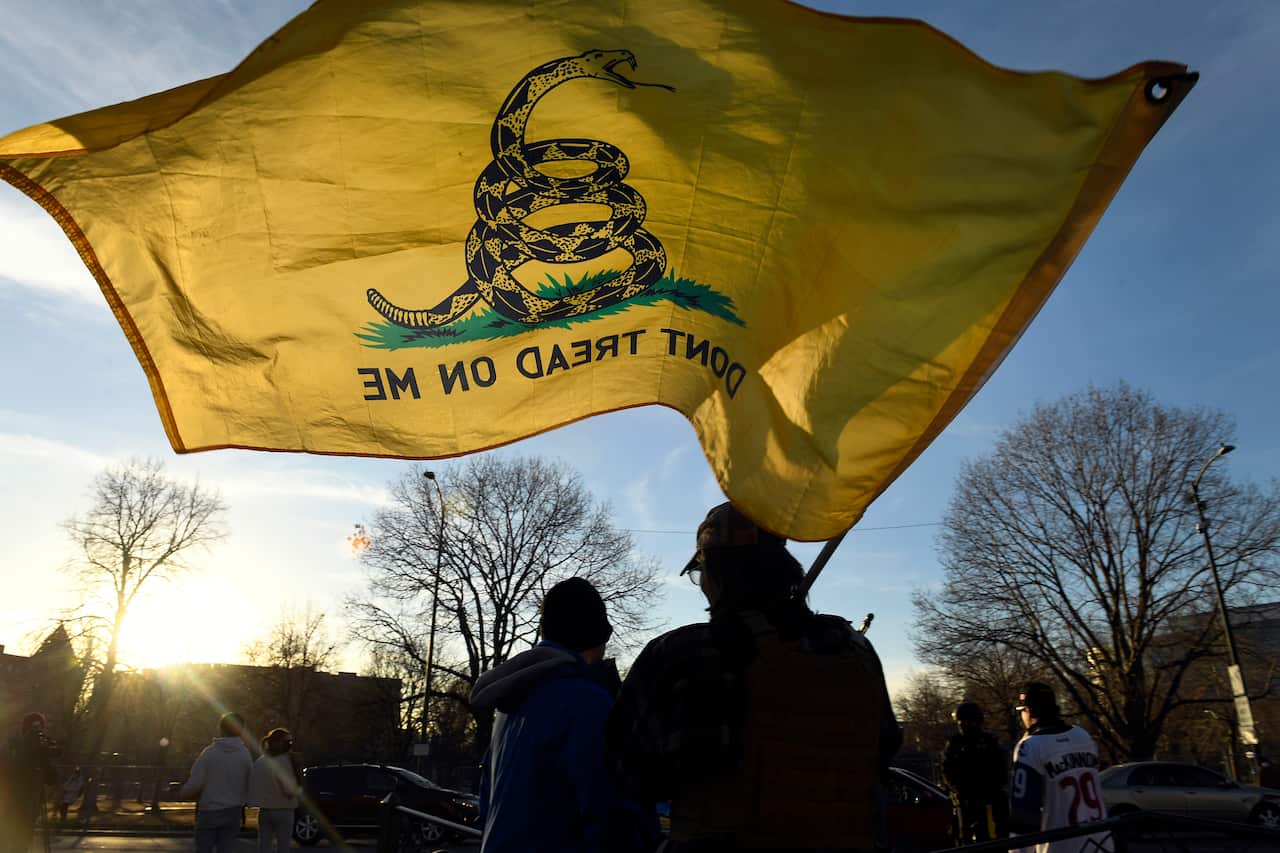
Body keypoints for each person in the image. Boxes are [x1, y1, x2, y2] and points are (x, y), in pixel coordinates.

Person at [608, 501, 903, 853]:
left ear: (716, 575)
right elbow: (883, 750)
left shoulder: (683, 653)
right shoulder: (856, 650)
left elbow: (623, 771)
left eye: (701, 572)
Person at [470, 577, 629, 853]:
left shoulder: (509, 705)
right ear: (598, 636)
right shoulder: (588, 703)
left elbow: (487, 803)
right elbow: (611, 817)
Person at [1009, 683, 1106, 853]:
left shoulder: (1030, 746)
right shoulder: (1082, 735)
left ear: (1028, 711)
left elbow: (1024, 816)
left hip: (1063, 845)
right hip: (1101, 841)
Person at [180, 712, 254, 853]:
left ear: (221, 729)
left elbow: (196, 782)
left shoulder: (209, 753)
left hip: (209, 809)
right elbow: (250, 781)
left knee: (203, 848)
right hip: (233, 810)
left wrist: (183, 793)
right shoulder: (244, 754)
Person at [942, 702, 1008, 844]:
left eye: (965, 722)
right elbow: (947, 772)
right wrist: (960, 791)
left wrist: (990, 789)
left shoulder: (988, 742)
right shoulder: (955, 744)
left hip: (989, 802)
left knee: (994, 838)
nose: (963, 725)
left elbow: (1001, 771)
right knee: (967, 839)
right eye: (960, 722)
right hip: (967, 803)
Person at [0, 712, 58, 853]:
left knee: (21, 845)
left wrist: (45, 756)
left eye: (40, 728)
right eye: (34, 728)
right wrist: (27, 752)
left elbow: (52, 779)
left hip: (29, 808)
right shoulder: (13, 746)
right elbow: (6, 770)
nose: (38, 732)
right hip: (9, 807)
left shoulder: (38, 750)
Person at [248, 729, 300, 853]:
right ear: (282, 743)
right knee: (283, 846)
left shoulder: (260, 762)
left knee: (264, 846)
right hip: (284, 810)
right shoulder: (287, 761)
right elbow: (290, 789)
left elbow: (253, 786)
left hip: (265, 811)